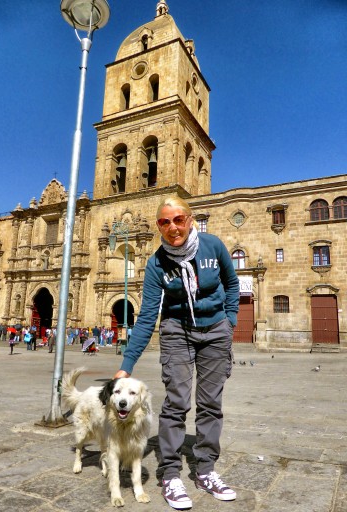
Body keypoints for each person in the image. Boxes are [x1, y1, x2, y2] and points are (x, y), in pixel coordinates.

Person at [113, 196, 239, 510]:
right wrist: (126, 365)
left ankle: (206, 469)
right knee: (176, 402)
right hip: (176, 332)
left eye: (178, 219)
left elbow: (232, 284)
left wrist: (229, 322)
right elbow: (146, 317)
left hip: (215, 332)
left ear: (190, 219)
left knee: (210, 403)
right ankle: (170, 473)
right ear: (159, 226)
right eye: (165, 222)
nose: (173, 227)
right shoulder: (157, 263)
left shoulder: (213, 246)